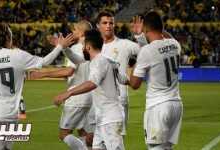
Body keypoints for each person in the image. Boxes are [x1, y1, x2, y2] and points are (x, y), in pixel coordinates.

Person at [121, 11, 183, 150]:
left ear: (145, 29)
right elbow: (161, 41)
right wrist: (141, 36)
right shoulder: (175, 44)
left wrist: (127, 72)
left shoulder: (146, 51)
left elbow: (135, 84)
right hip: (176, 105)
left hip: (158, 107)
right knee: (167, 147)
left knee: (155, 147)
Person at [54, 29, 125, 150]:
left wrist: (69, 93)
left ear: (88, 47)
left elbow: (92, 83)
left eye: (83, 46)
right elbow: (125, 79)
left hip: (110, 118)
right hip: (103, 118)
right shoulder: (109, 61)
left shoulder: (98, 62)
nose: (82, 49)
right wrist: (64, 48)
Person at [30, 20, 95, 150]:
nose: (73, 32)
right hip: (89, 96)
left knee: (64, 134)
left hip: (76, 97)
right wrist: (61, 47)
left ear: (82, 32)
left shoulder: (77, 47)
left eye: (75, 30)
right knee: (83, 132)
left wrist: (43, 74)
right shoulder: (92, 47)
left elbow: (69, 71)